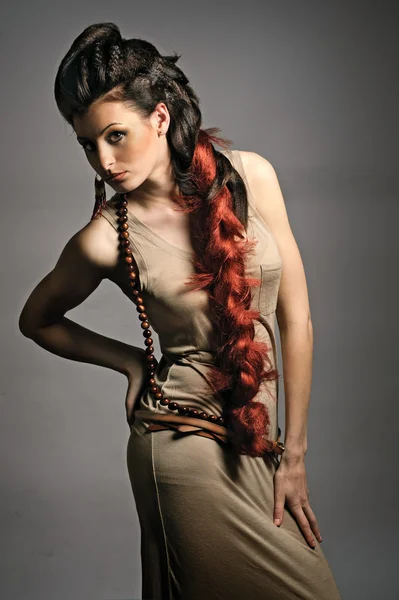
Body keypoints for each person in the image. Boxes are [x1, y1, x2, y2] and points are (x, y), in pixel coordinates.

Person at [18, 21, 342, 600]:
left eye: (115, 136)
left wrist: (295, 455)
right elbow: (35, 319)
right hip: (182, 448)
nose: (103, 160)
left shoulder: (252, 177)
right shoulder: (104, 239)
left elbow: (298, 317)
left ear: (160, 118)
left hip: (259, 446)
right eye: (88, 144)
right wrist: (129, 362)